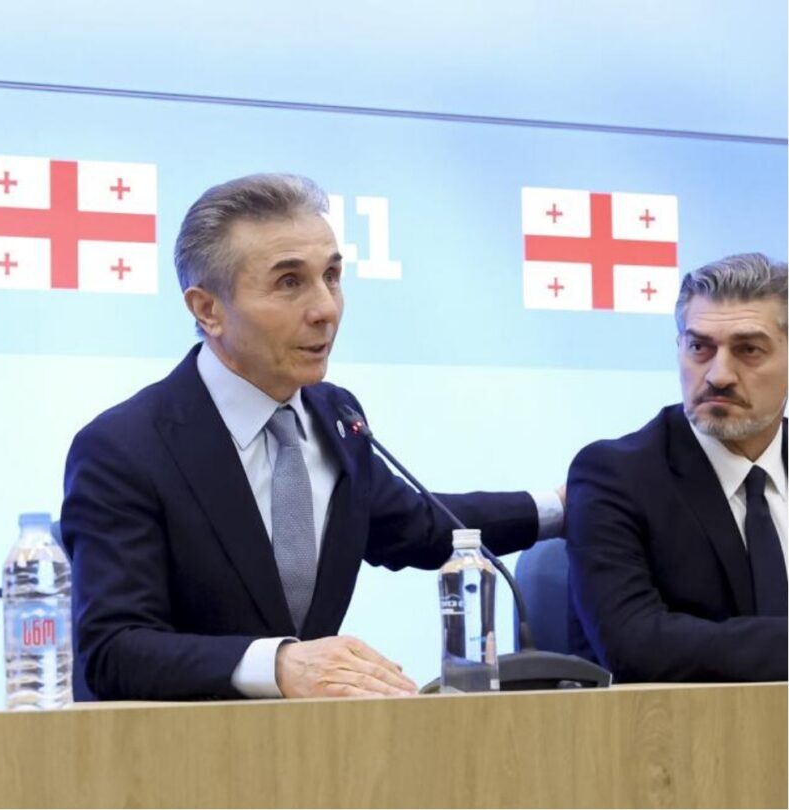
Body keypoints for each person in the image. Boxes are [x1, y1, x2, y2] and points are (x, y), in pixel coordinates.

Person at [61, 173, 562, 701]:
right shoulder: (125, 448)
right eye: (289, 282)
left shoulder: (337, 417)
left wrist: (563, 507)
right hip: (184, 745)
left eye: (332, 276)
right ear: (208, 310)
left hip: (319, 743)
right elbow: (113, 648)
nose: (326, 309)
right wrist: (277, 664)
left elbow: (422, 525)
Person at [567, 253, 787, 682]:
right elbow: (635, 646)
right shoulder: (617, 476)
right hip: (681, 723)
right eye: (699, 348)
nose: (719, 375)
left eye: (748, 350)